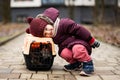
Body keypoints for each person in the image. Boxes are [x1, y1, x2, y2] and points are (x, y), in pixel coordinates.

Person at [26, 7, 100, 76]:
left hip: (78, 42)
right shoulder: (51, 36)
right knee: (63, 53)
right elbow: (43, 43)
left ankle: (88, 64)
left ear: (48, 22)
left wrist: (91, 40)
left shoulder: (63, 24)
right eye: (45, 34)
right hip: (66, 46)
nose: (48, 32)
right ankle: (76, 64)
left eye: (46, 28)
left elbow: (79, 30)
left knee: (77, 49)